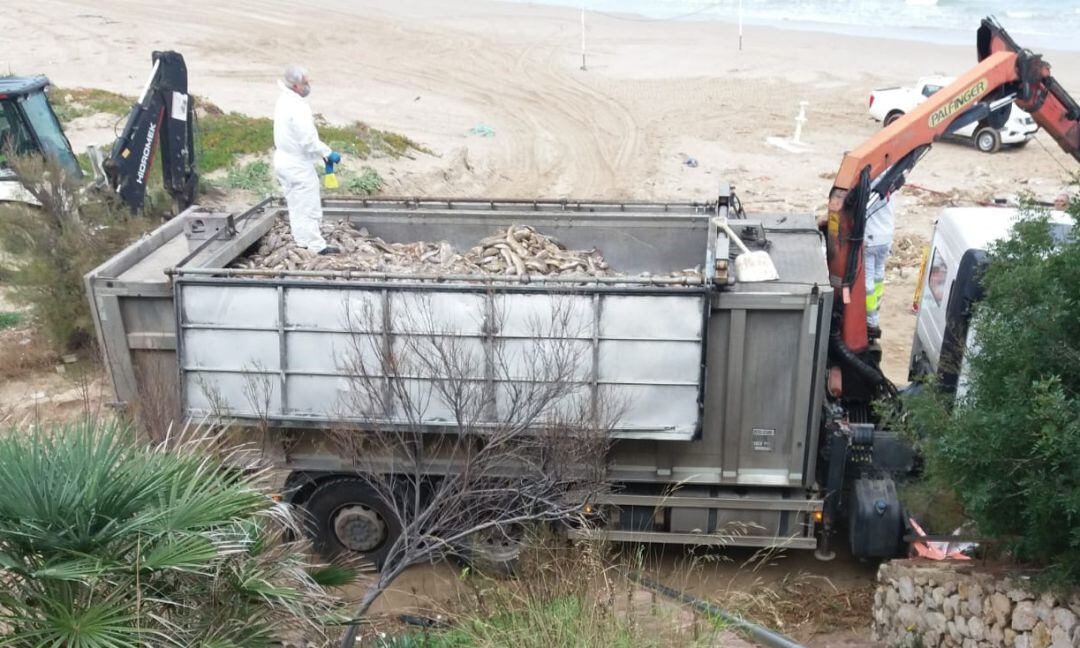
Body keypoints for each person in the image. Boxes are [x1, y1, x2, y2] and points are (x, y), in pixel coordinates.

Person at [274, 65, 340, 255]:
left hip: (284, 160)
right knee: (308, 204)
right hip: (297, 164)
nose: (308, 86)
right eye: (305, 83)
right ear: (296, 86)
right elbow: (308, 140)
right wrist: (328, 153)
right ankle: (316, 246)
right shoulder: (297, 107)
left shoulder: (283, 100)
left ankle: (302, 241)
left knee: (295, 203)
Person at [863, 192, 895, 338]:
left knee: (867, 281)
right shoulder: (892, 182)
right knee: (878, 276)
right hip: (886, 237)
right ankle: (875, 311)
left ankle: (871, 319)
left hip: (871, 238)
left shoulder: (871, 184)